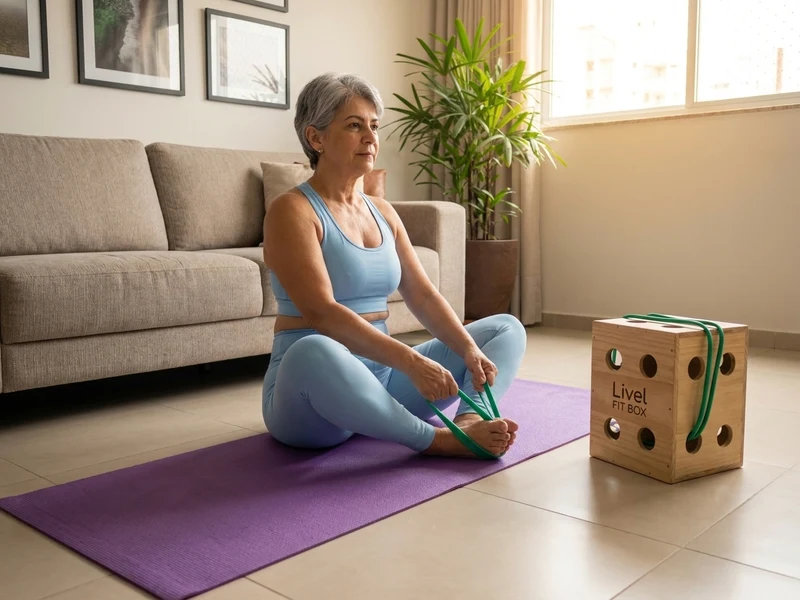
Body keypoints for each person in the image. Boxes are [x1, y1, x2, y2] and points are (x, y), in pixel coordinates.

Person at [261, 72, 527, 458]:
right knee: (313, 349)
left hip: (385, 382)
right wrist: (412, 362)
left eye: (374, 126)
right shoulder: (292, 210)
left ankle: (470, 420)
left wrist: (468, 350)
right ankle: (436, 440)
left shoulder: (383, 212)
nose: (370, 138)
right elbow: (322, 313)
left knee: (505, 328)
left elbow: (422, 295)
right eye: (354, 126)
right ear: (316, 138)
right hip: (312, 398)